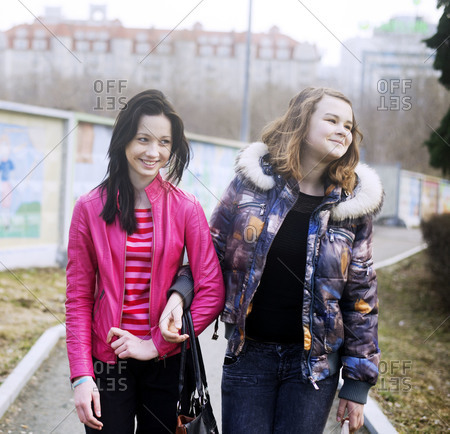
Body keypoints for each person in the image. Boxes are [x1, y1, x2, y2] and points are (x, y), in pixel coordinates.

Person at [162, 87, 383, 433]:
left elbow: (362, 300)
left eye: (349, 125)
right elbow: (211, 254)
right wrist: (180, 293)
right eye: (332, 120)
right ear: (301, 123)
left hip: (313, 369)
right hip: (249, 355)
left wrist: (357, 385)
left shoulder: (352, 209)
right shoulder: (251, 185)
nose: (343, 130)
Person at [65, 89, 224, 433]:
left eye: (164, 142)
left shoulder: (186, 207)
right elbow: (78, 300)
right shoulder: (89, 208)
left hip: (165, 364)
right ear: (124, 140)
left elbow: (211, 289)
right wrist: (80, 375)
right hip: (108, 362)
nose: (154, 152)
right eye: (143, 139)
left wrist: (156, 342)